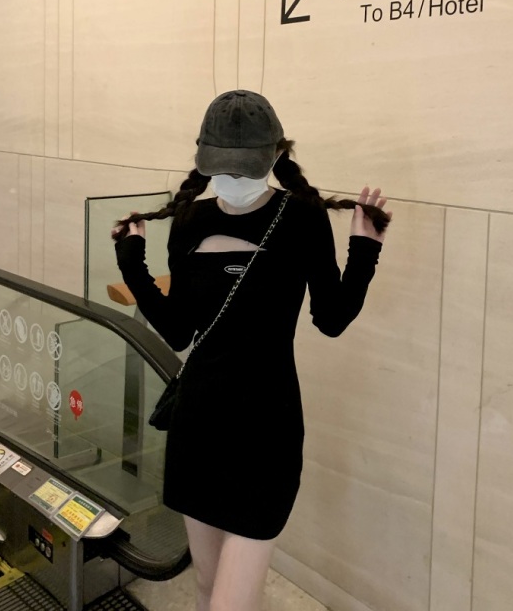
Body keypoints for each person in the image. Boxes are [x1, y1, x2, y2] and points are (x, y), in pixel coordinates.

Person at [111, 89, 390, 611]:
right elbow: (178, 331)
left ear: (275, 158)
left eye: (245, 168)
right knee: (204, 585)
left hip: (266, 431)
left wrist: (364, 251)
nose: (233, 180)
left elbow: (330, 319)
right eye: (223, 167)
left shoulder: (302, 218)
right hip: (198, 426)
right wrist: (132, 264)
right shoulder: (190, 221)